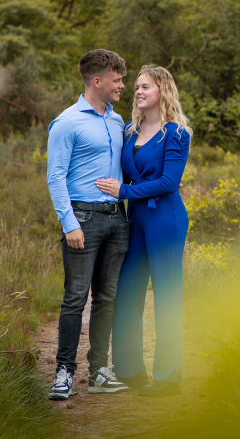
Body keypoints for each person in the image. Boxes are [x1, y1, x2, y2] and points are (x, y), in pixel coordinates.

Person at [96, 65, 192, 397]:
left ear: (162, 90)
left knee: (166, 296)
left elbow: (167, 183)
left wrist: (122, 191)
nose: (137, 91)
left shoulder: (177, 133)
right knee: (127, 292)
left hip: (166, 219)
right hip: (134, 219)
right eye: (136, 86)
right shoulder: (128, 131)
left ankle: (168, 379)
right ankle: (130, 370)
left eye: (145, 86)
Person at [46, 49, 131, 400]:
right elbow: (55, 178)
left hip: (117, 219)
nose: (122, 85)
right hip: (83, 219)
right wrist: (69, 224)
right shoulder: (66, 122)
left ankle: (98, 371)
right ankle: (64, 372)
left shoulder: (117, 121)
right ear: (97, 81)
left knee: (107, 299)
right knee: (75, 298)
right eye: (117, 79)